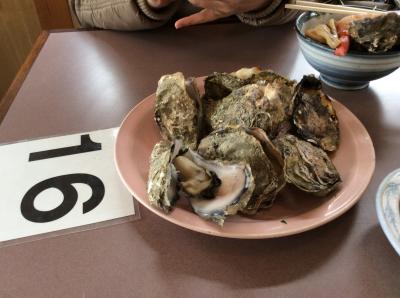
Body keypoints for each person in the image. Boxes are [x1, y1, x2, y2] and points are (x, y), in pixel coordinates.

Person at [68, 0, 301, 31]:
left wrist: (264, 3)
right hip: (139, 55)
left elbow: (318, 5)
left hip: (263, 50)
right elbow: (81, 5)